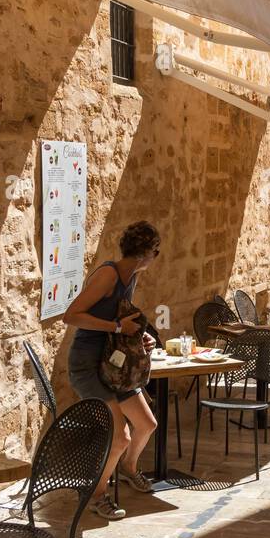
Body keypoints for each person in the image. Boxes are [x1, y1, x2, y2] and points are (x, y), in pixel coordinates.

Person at [63, 221, 160, 520]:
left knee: (146, 424)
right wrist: (117, 326)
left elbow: (121, 318)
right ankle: (96, 495)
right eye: (155, 252)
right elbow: (72, 315)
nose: (156, 257)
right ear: (145, 253)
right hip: (88, 364)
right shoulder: (108, 275)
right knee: (121, 437)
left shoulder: (131, 276)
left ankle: (128, 470)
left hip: (114, 362)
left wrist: (139, 335)